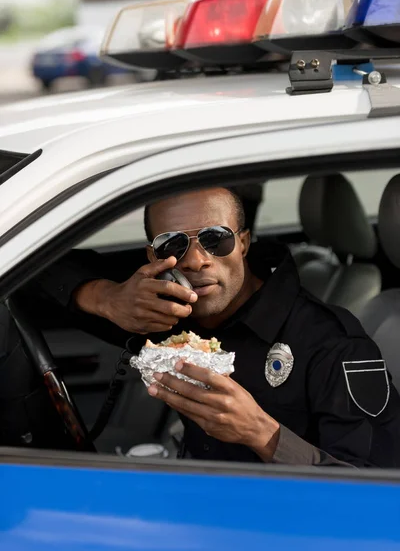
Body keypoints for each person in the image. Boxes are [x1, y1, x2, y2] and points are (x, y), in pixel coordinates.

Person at [59, 187, 400, 468]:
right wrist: (106, 298)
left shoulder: (330, 342)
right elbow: (23, 267)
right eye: (173, 245)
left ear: (244, 243)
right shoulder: (161, 311)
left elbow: (376, 491)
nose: (195, 260)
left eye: (214, 238)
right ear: (154, 257)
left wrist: (263, 434)